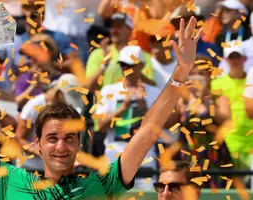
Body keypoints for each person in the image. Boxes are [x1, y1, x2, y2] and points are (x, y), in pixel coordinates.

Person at [0, 17, 202, 200]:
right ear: (37, 145)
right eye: (52, 138)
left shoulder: (102, 185)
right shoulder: (9, 181)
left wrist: (180, 71)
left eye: (68, 138)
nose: (60, 146)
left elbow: (146, 132)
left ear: (79, 143)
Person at [95, 45, 162, 189]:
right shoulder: (108, 91)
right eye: (123, 65)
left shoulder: (155, 92)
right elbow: (101, 126)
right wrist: (122, 109)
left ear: (142, 66)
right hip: (115, 152)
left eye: (131, 65)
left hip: (144, 155)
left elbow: (159, 128)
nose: (127, 69)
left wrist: (143, 106)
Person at [171, 56, 232, 188]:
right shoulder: (182, 100)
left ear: (209, 77)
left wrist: (204, 99)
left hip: (214, 158)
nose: (196, 77)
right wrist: (177, 94)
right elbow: (168, 123)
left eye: (201, 74)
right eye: (192, 74)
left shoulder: (218, 99)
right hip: (187, 157)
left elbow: (226, 120)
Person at [15, 73, 84, 171]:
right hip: (30, 168)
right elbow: (19, 139)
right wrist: (39, 151)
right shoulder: (34, 106)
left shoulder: (67, 110)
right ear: (59, 93)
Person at [211, 40, 253, 175]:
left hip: (251, 144)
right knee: (233, 192)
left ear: (245, 58)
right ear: (225, 60)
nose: (235, 61)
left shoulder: (251, 80)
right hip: (228, 144)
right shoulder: (216, 84)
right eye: (231, 57)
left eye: (238, 56)